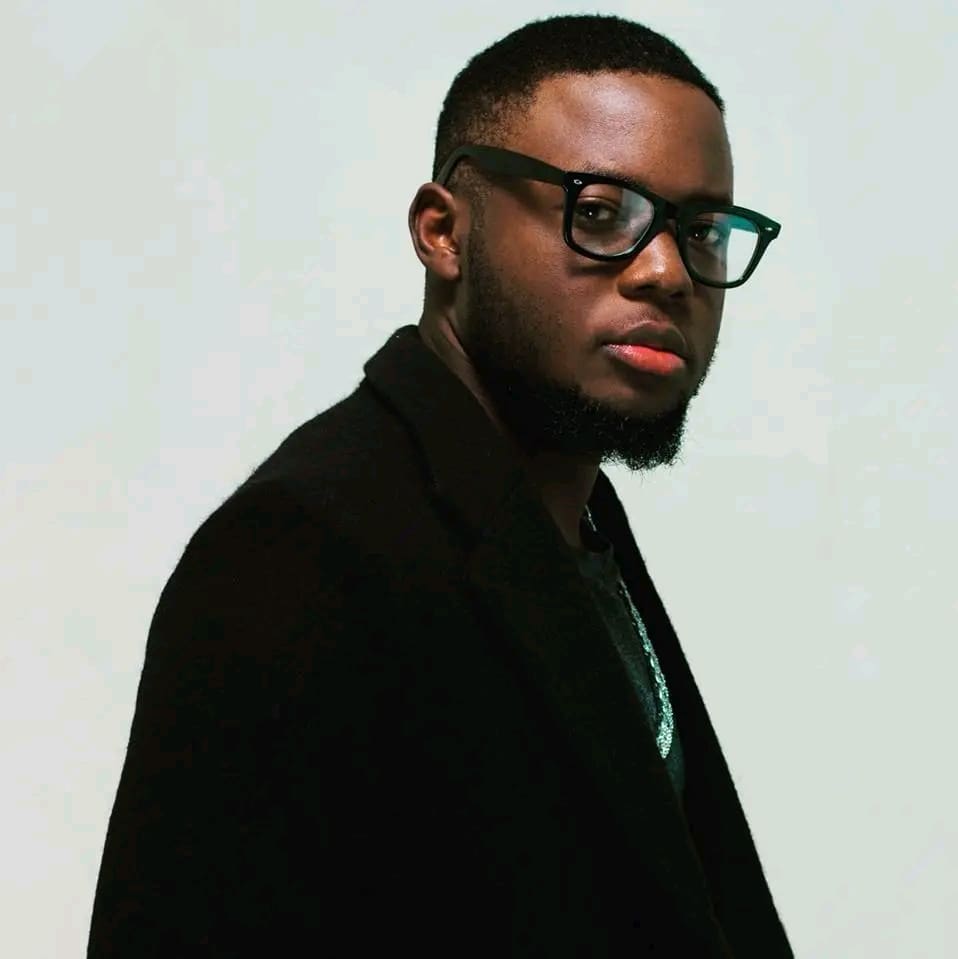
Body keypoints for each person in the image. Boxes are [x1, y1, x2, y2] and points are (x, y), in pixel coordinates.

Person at [88, 14, 791, 957]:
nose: (667, 272)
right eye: (598, 213)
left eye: (701, 230)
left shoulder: (571, 523)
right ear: (444, 231)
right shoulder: (299, 555)